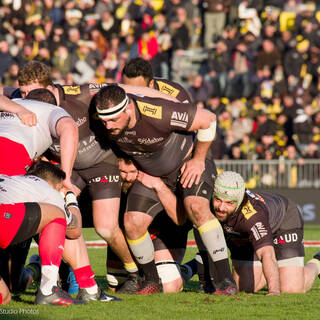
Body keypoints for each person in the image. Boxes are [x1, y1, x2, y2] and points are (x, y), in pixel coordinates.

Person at [0, 60, 179, 293]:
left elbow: (122, 89)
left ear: (51, 87)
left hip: (101, 164)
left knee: (105, 227)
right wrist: (17, 107)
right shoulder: (21, 100)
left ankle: (134, 272)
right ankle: (64, 278)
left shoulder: (78, 94)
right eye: (22, 92)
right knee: (56, 214)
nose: (26, 97)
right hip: (69, 167)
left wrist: (168, 102)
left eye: (30, 91)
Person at [95, 84, 236, 295]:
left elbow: (208, 119)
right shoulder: (105, 122)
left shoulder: (158, 112)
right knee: (132, 222)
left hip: (187, 167)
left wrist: (198, 160)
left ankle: (226, 280)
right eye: (103, 120)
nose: (107, 126)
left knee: (197, 207)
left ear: (129, 110)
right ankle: (151, 281)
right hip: (152, 176)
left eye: (113, 120)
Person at [212, 170, 320, 294]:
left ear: (239, 200)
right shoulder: (207, 205)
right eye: (218, 200)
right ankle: (278, 268)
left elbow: (265, 253)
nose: (221, 208)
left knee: (291, 288)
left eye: (229, 203)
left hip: (283, 221)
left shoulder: (252, 215)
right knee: (244, 288)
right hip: (247, 234)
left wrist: (273, 291)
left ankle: (317, 262)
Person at [0, 161, 84, 306]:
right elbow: (75, 230)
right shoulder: (50, 191)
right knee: (58, 213)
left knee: (9, 292)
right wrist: (70, 197)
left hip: (9, 221)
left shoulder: (11, 179)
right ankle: (48, 289)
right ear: (57, 186)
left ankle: (36, 268)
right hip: (6, 221)